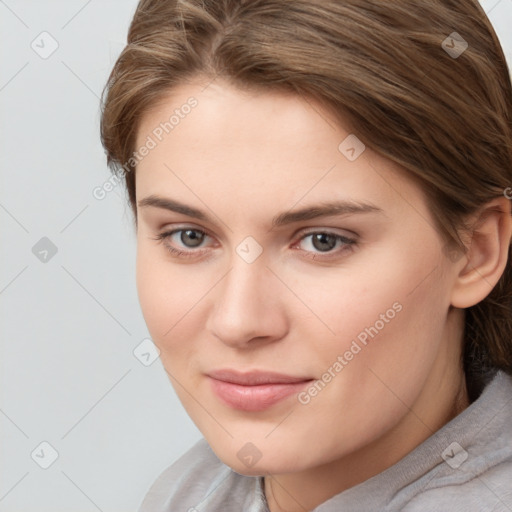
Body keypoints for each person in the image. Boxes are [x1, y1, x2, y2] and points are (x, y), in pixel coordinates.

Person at [100, 1, 512, 510]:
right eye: (189, 236)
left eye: (323, 241)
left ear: (476, 252)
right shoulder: (184, 494)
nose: (238, 321)